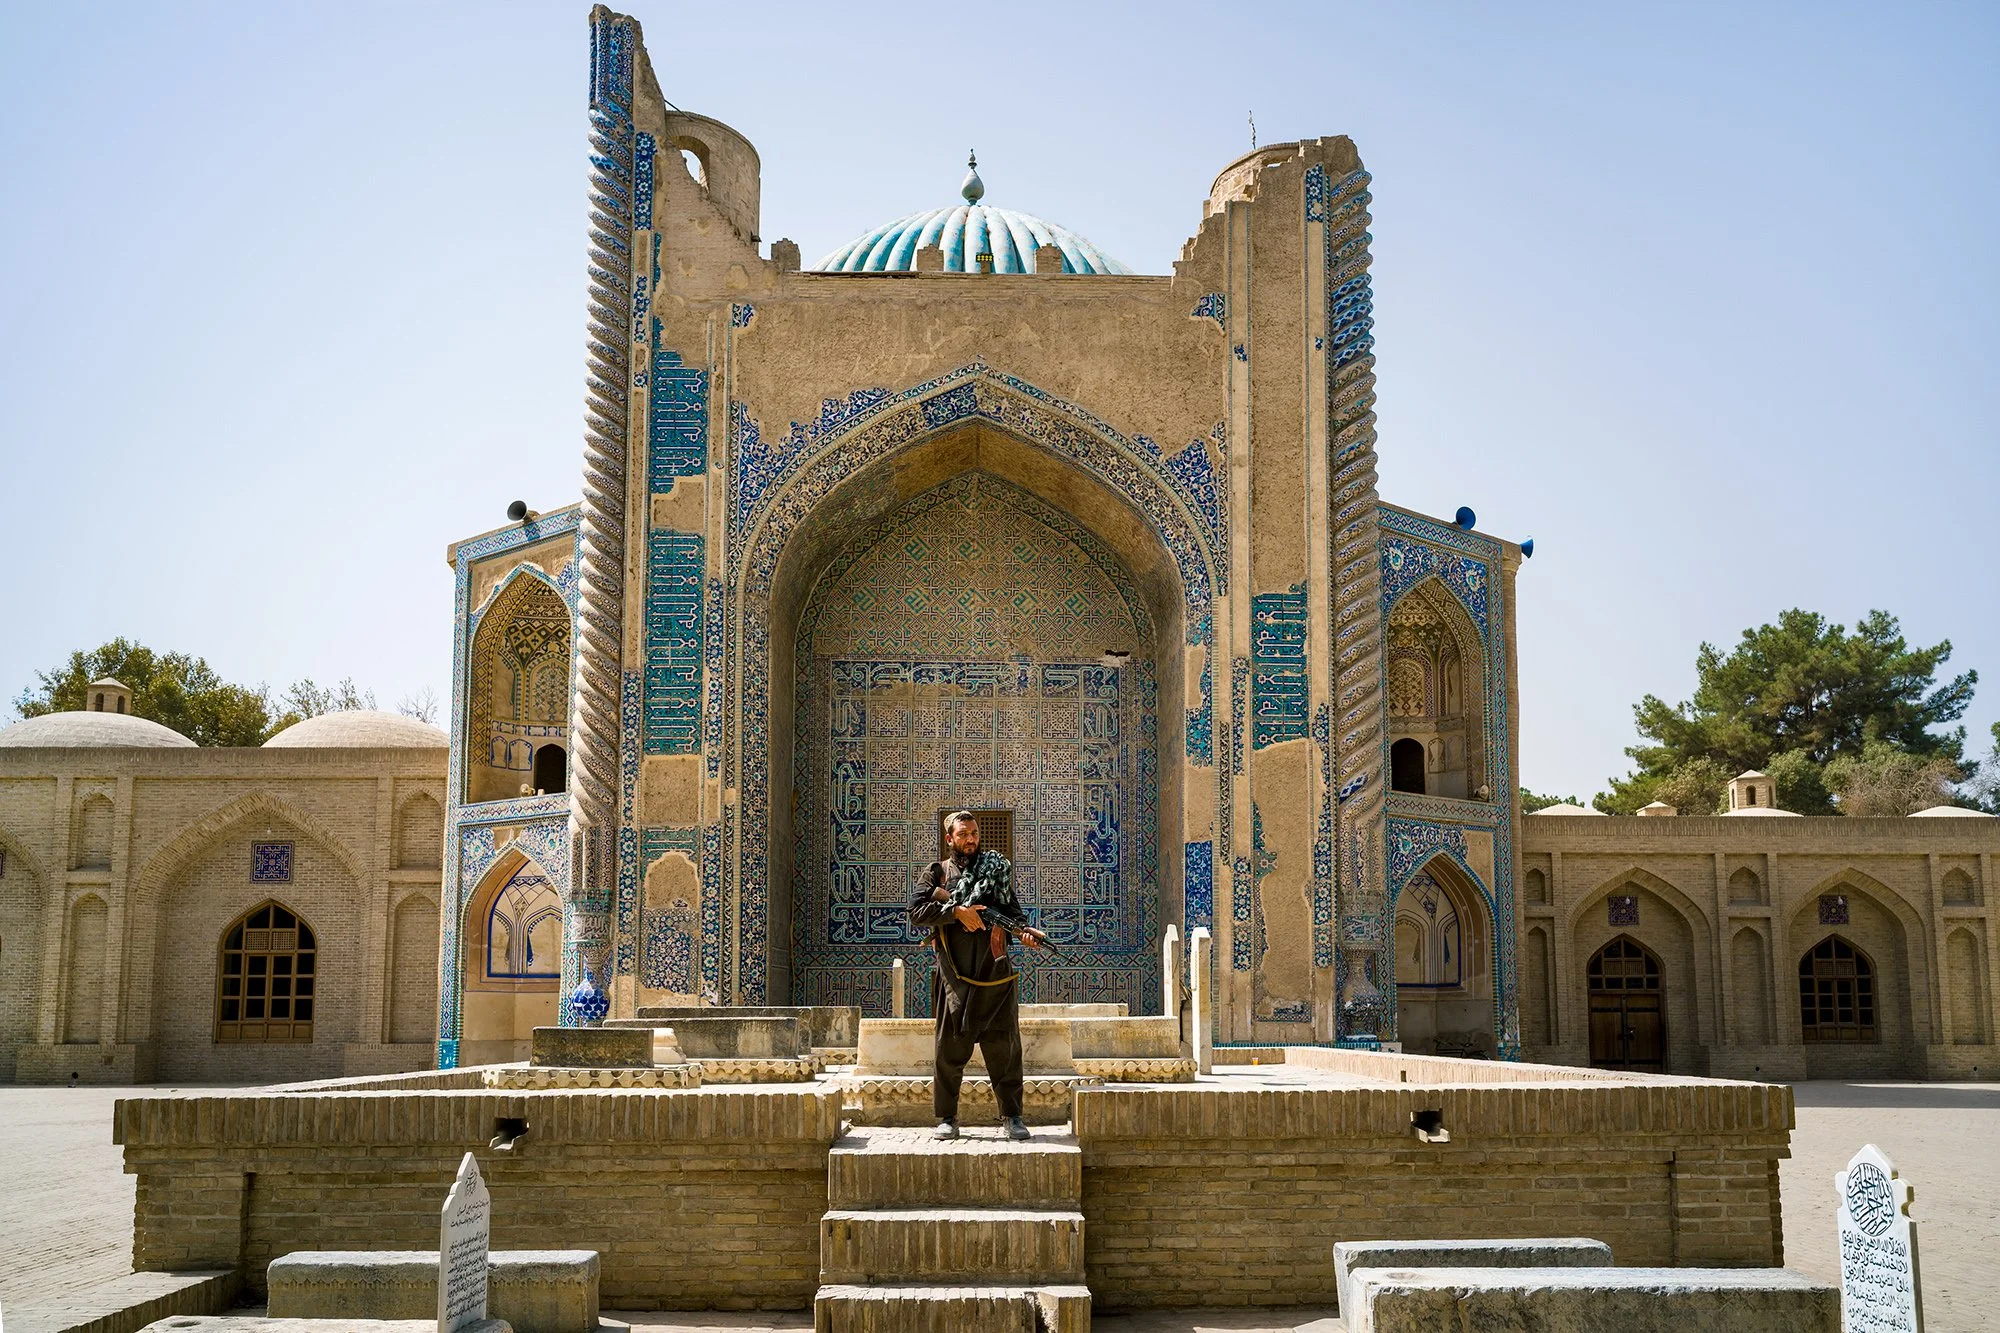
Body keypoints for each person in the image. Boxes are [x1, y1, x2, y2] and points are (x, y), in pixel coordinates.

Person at [909, 810, 1047, 1141]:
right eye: (963, 834)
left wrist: (1025, 933)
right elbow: (915, 912)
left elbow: (1014, 915)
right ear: (950, 839)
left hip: (994, 973)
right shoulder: (937, 874)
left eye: (974, 834)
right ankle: (947, 1117)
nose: (971, 839)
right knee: (949, 1049)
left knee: (1005, 1048)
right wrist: (957, 913)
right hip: (954, 976)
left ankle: (1012, 1116)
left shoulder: (996, 873)